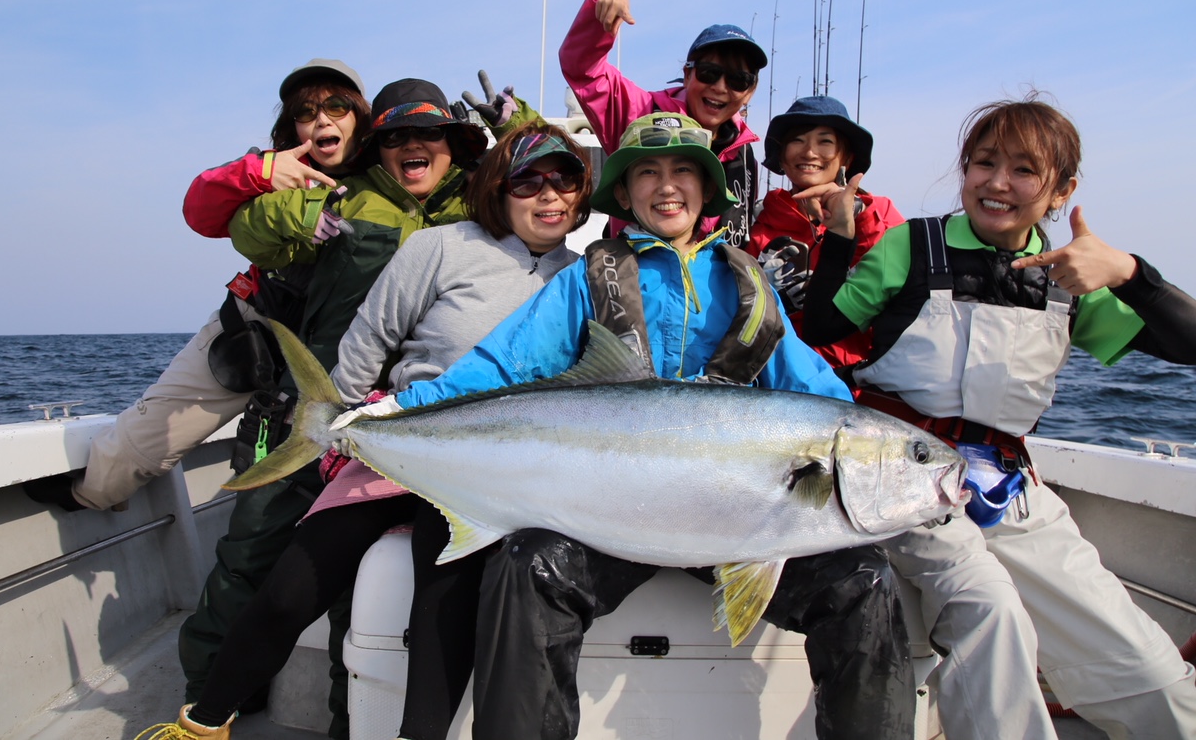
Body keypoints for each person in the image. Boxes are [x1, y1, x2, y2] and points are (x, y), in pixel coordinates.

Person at [345, 112, 917, 740]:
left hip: (739, 515)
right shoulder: (587, 279)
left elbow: (818, 399)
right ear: (624, 191)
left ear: (707, 188)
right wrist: (398, 412)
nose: (666, 186)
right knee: (526, 564)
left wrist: (900, 470)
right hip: (612, 516)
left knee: (864, 579)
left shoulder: (749, 282)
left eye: (683, 171)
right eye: (648, 172)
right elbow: (502, 364)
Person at [137, 123, 592, 740]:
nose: (549, 194)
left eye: (564, 179)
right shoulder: (440, 246)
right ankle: (202, 724)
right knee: (290, 590)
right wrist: (337, 431)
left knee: (441, 607)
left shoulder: (586, 278)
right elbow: (370, 339)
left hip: (484, 473)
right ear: (496, 188)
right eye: (527, 180)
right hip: (392, 441)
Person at [800, 95, 1196, 740]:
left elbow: (1188, 345)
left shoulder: (1072, 280)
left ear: (1062, 191)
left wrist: (1128, 273)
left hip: (1012, 490)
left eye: (1024, 170)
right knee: (990, 609)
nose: (998, 182)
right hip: (902, 478)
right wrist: (841, 236)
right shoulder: (912, 245)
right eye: (984, 163)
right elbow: (822, 327)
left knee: (1147, 668)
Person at [175, 78, 486, 737]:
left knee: (354, 588)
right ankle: (205, 702)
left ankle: (351, 725)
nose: (413, 145)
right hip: (308, 410)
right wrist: (301, 214)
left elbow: (555, 193)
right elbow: (241, 226)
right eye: (396, 135)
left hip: (408, 426)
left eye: (429, 133)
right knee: (249, 556)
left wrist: (520, 126)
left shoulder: (479, 200)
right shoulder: (343, 192)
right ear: (377, 146)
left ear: (454, 142)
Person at [22, 59, 370, 513]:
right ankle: (90, 495)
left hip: (340, 351)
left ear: (360, 115)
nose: (322, 119)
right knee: (144, 439)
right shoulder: (267, 169)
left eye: (337, 106)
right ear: (293, 125)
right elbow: (199, 211)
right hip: (254, 331)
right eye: (306, 111)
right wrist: (261, 173)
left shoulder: (387, 175)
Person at [559, 0, 764, 246]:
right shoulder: (639, 111)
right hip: (634, 270)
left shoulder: (744, 153)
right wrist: (603, 1)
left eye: (738, 80)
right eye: (709, 73)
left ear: (750, 91)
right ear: (687, 74)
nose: (721, 87)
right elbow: (582, 68)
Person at [745, 95, 903, 371]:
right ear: (782, 156)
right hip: (776, 376)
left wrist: (854, 213)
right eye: (797, 140)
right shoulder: (756, 221)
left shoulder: (878, 213)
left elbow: (899, 280)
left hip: (856, 380)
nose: (809, 152)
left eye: (825, 141)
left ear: (847, 158)